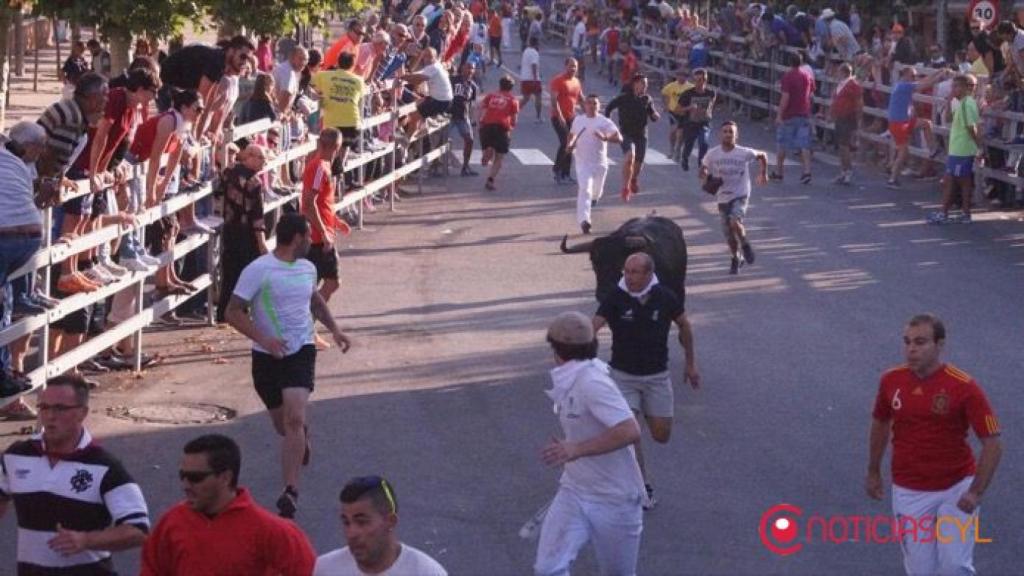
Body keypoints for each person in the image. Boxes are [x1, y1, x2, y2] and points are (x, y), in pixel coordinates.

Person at [225, 213, 353, 518]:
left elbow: (315, 302)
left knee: (294, 418)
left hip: (300, 350)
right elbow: (232, 311)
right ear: (297, 238)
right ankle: (299, 436)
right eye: (308, 236)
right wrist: (264, 339)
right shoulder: (259, 270)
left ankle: (290, 491)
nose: (311, 241)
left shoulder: (308, 268)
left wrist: (334, 330)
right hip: (267, 357)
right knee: (283, 425)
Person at [866, 314, 1002, 576]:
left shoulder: (964, 386)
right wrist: (873, 470)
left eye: (920, 342)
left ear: (939, 345)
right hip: (909, 491)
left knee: (954, 566)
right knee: (921, 570)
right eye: (907, 342)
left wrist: (975, 491)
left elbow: (993, 443)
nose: (911, 349)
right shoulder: (890, 381)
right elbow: (880, 423)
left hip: (955, 488)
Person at [0, 374, 150, 575]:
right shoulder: (17, 455)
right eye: (43, 407)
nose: (50, 416)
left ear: (82, 413)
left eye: (60, 408)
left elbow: (138, 530)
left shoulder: (105, 466)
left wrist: (86, 541)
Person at [534, 311, 644, 576]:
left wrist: (575, 449)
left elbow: (630, 429)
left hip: (615, 500)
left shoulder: (591, 382)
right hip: (574, 490)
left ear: (556, 350)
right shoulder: (574, 377)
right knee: (548, 568)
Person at [592, 252, 699, 509]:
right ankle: (642, 485)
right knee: (629, 433)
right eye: (626, 272)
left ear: (649, 274)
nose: (629, 277)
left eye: (635, 272)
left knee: (662, 435)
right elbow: (592, 327)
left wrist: (691, 363)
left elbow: (685, 325)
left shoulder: (665, 297)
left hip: (656, 378)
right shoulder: (615, 297)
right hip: (622, 376)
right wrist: (580, 359)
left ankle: (648, 414)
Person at [141, 434, 317, 575]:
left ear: (225, 477)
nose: (186, 485)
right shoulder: (171, 523)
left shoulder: (270, 530)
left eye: (196, 478)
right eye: (183, 476)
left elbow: (309, 570)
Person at [0, 123, 50, 406]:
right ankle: (5, 369)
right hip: (30, 233)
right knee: (3, 298)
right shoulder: (13, 162)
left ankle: (2, 373)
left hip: (4, 234)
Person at [314, 476, 448, 575]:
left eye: (362, 522)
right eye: (346, 522)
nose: (351, 533)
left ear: (390, 521)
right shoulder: (323, 569)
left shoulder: (427, 572)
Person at [301, 128, 350, 350]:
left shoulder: (321, 166)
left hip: (322, 232)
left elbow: (321, 203)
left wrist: (335, 221)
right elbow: (309, 202)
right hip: (318, 238)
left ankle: (307, 325)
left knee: (328, 282)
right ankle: (306, 326)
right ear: (336, 147)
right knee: (330, 282)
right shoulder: (320, 167)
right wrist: (323, 230)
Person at [700, 121, 768, 275]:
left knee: (734, 221)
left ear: (736, 136)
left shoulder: (744, 152)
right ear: (720, 134)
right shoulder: (713, 154)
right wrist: (704, 175)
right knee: (728, 234)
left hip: (740, 194)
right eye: (725, 131)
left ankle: (745, 245)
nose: (728, 134)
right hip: (723, 196)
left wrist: (764, 173)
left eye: (731, 132)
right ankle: (736, 257)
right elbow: (703, 167)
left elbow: (762, 155)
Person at [215, 144, 270, 323]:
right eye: (261, 158)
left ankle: (224, 313)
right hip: (246, 234)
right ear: (249, 157)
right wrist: (261, 243)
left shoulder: (228, 172)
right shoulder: (255, 183)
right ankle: (242, 313)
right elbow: (257, 216)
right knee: (248, 276)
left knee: (229, 274)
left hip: (230, 229)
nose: (264, 162)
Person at [929, 74, 984, 225]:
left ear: (967, 88)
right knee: (962, 182)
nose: (953, 89)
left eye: (956, 86)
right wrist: (948, 101)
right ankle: (964, 213)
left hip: (963, 149)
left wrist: (979, 147)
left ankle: (945, 213)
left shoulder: (968, 104)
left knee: (952, 181)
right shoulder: (960, 103)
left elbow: (971, 127)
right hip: (956, 149)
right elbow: (948, 118)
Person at [566, 94, 622, 235]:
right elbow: (572, 135)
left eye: (595, 103)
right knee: (585, 190)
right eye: (589, 103)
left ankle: (595, 198)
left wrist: (605, 137)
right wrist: (570, 145)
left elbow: (619, 138)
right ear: (584, 105)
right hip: (582, 163)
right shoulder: (578, 120)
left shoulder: (604, 122)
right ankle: (585, 221)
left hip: (599, 164)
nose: (592, 106)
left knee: (595, 192)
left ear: (599, 106)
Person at [885, 66, 945, 189]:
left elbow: (923, 81)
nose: (914, 78)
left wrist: (938, 72)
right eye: (912, 76)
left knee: (926, 123)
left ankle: (932, 149)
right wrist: (941, 76)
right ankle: (892, 178)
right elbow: (925, 84)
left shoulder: (901, 85)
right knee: (903, 153)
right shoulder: (904, 86)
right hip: (899, 123)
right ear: (905, 75)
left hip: (904, 121)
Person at [606, 73, 659, 200]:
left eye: (646, 84)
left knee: (639, 163)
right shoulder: (623, 97)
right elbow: (609, 108)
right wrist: (608, 124)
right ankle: (625, 187)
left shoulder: (647, 99)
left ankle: (634, 178)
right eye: (643, 83)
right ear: (635, 84)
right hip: (626, 132)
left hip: (641, 134)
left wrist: (655, 115)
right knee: (630, 156)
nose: (645, 86)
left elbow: (652, 114)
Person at [312, 51, 366, 177]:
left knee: (327, 160)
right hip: (352, 122)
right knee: (340, 160)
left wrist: (321, 96)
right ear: (352, 65)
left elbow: (309, 84)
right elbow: (360, 100)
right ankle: (338, 176)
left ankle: (330, 185)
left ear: (337, 62)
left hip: (332, 123)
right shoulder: (358, 80)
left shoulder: (323, 76)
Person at [772, 51, 814, 184]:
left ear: (790, 63)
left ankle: (779, 172)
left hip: (789, 114)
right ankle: (807, 171)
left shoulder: (788, 77)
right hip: (803, 112)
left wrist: (779, 114)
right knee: (804, 144)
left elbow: (785, 97)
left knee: (782, 143)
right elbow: (811, 94)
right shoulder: (807, 76)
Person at [479, 75, 520, 191]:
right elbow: (514, 119)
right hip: (502, 127)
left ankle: (488, 151)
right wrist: (511, 128)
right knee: (499, 157)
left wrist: (480, 122)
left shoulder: (491, 95)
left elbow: (481, 107)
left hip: (487, 125)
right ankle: (490, 179)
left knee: (489, 145)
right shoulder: (513, 100)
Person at [550, 58, 584, 185]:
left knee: (571, 144)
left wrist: (591, 113)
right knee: (565, 142)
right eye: (571, 66)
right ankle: (557, 170)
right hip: (558, 117)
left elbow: (580, 98)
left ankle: (566, 173)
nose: (573, 69)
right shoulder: (558, 80)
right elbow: (554, 100)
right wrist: (560, 116)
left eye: (575, 66)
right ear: (565, 66)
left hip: (571, 117)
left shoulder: (576, 81)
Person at [829, 62, 863, 185]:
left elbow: (859, 103)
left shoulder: (853, 85)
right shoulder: (841, 85)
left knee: (845, 146)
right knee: (841, 146)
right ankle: (843, 171)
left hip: (848, 117)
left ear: (844, 72)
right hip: (840, 117)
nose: (837, 74)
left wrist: (858, 120)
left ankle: (848, 171)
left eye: (839, 71)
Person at [676, 68, 715, 173]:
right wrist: (689, 108)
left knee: (704, 143)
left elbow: (712, 105)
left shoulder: (711, 93)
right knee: (689, 144)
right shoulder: (687, 94)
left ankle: (701, 164)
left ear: (705, 80)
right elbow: (678, 109)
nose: (698, 83)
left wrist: (707, 110)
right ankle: (685, 158)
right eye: (696, 80)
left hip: (704, 123)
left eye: (701, 80)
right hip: (690, 123)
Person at [450, 61, 480, 176]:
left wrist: (473, 120)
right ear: (462, 68)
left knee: (469, 140)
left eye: (472, 68)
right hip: (450, 114)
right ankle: (435, 165)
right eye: (468, 68)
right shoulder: (453, 80)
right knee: (441, 140)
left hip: (463, 116)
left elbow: (472, 104)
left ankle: (465, 166)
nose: (470, 70)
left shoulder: (473, 86)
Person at [660, 68, 692, 162]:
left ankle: (678, 149)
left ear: (686, 77)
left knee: (681, 133)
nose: (681, 77)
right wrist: (666, 105)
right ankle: (672, 148)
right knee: (673, 131)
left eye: (683, 76)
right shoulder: (671, 86)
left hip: (685, 112)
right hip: (673, 111)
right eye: (679, 75)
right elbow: (664, 94)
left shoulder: (690, 87)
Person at [520, 36, 543, 123]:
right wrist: (535, 78)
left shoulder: (525, 51)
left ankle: (513, 112)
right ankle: (538, 117)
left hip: (524, 78)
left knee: (525, 98)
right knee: (538, 97)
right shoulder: (535, 53)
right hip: (532, 79)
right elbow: (534, 65)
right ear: (536, 44)